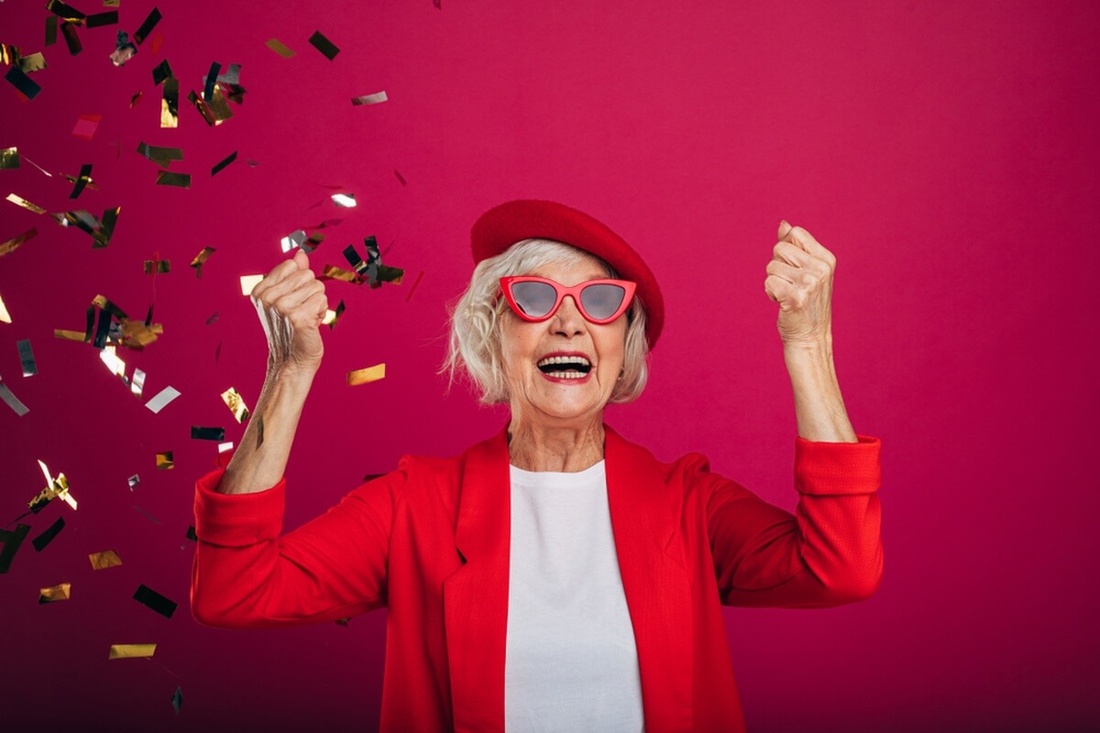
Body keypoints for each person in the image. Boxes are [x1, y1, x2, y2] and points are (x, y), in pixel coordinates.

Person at [191, 200, 883, 733]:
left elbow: (842, 566)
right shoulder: (415, 505)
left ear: (624, 344)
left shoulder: (687, 504)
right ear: (492, 329)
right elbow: (232, 590)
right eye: (535, 298)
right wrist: (289, 371)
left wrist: (809, 344)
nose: (569, 323)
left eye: (601, 301)